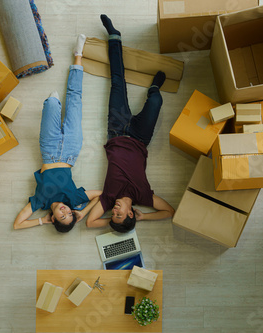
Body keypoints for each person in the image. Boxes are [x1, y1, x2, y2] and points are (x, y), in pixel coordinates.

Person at [86, 15, 175, 233]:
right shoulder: (142, 196)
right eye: (119, 214)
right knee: (156, 100)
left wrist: (111, 221)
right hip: (139, 137)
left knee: (117, 81)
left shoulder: (108, 198)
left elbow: (89, 222)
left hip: (116, 130)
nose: (113, 211)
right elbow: (169, 212)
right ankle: (154, 88)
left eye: (112, 215)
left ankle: (114, 36)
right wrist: (144, 218)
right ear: (131, 212)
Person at [14, 34, 101, 232]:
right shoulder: (73, 200)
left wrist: (41, 221)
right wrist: (83, 213)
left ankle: (53, 104)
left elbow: (17, 224)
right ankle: (78, 55)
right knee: (75, 99)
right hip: (71, 149)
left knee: (52, 103)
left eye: (62, 216)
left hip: (49, 149)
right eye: (69, 214)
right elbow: (102, 195)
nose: (66, 211)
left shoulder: (40, 202)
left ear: (54, 219)